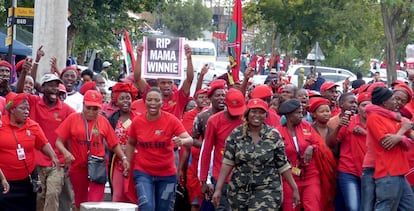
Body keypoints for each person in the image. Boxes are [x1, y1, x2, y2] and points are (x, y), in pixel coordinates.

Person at [212, 98, 300, 210]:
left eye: (261, 112)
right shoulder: (236, 134)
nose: (257, 115)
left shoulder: (273, 135)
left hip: (267, 189)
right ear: (247, 114)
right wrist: (218, 188)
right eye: (254, 112)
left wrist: (294, 188)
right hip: (240, 190)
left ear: (266, 115)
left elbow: (282, 165)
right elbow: (228, 162)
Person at [55, 90, 129, 211]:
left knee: (95, 202)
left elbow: (114, 144)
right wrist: (65, 153)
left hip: (97, 167)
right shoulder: (73, 118)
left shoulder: (103, 121)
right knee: (80, 201)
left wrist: (124, 158)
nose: (91, 112)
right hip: (78, 167)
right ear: (83, 104)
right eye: (88, 107)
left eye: (95, 109)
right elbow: (58, 141)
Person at [125, 87, 193, 210]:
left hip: (167, 175)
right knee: (147, 206)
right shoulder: (137, 121)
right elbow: (131, 143)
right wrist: (127, 161)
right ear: (144, 101)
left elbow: (190, 140)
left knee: (164, 208)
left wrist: (182, 141)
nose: (153, 103)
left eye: (156, 100)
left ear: (162, 103)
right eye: (149, 100)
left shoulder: (171, 120)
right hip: (143, 173)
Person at [16, 72, 76, 211]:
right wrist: (26, 71)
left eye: (56, 85)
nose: (54, 88)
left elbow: (71, 135)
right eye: (50, 86)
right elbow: (18, 93)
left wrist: (69, 157)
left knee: (52, 193)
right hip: (35, 161)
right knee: (39, 196)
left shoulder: (67, 110)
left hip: (57, 162)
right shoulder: (34, 102)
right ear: (42, 88)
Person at [0, 93, 59, 211]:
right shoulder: (1, 125)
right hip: (4, 181)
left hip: (27, 181)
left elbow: (43, 143)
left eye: (28, 108)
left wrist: (53, 156)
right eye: (22, 108)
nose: (26, 111)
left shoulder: (33, 126)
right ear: (12, 109)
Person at [367, 87, 414, 209]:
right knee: (386, 207)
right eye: (393, 99)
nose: (396, 103)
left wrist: (400, 138)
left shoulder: (393, 117)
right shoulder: (374, 117)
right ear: (384, 102)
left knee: (409, 207)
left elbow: (409, 139)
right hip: (388, 172)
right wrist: (402, 133)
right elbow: (387, 143)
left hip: (400, 171)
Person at [199, 88, 246, 210]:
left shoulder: (247, 120)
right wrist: (204, 180)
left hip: (244, 177)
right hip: (221, 178)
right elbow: (206, 151)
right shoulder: (214, 121)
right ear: (226, 104)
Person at [276, 99, 322, 211]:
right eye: (298, 113)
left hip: (310, 176)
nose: (301, 115)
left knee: (313, 207)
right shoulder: (277, 132)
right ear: (288, 115)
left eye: (301, 112)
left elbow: (319, 144)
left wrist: (312, 147)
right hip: (290, 178)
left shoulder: (307, 126)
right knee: (291, 208)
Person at [133, 43, 194, 119]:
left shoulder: (179, 97)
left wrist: (189, 58)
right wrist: (139, 56)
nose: (166, 85)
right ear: (157, 83)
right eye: (163, 83)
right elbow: (137, 78)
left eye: (169, 82)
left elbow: (189, 79)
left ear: (173, 83)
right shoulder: (151, 95)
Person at [107, 82, 138, 203]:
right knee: (118, 196)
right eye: (121, 98)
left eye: (128, 98)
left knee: (133, 196)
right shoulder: (111, 119)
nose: (125, 101)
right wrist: (120, 151)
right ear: (116, 100)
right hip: (118, 162)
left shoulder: (138, 117)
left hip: (136, 162)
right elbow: (108, 141)